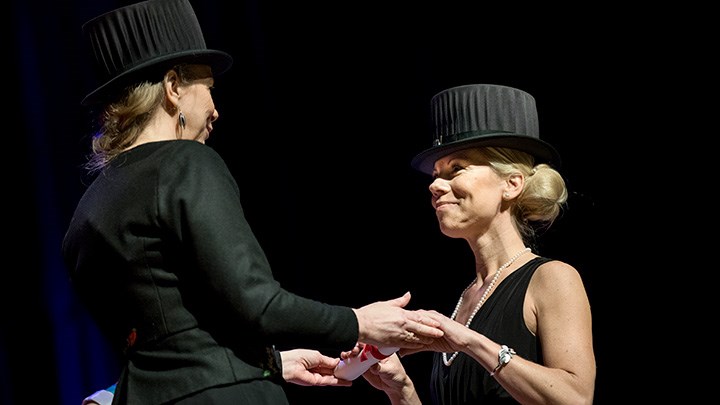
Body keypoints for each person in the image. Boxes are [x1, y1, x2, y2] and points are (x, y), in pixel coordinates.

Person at [61, 0, 443, 404]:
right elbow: (257, 303)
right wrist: (359, 322)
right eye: (208, 89)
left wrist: (272, 364)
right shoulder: (186, 163)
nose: (215, 110)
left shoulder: (86, 212)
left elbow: (172, 342)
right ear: (173, 87)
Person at [349, 84, 596, 404]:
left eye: (456, 169)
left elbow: (576, 398)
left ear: (511, 183)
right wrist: (402, 391)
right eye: (436, 174)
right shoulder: (467, 297)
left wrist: (469, 341)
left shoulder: (552, 279)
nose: (435, 185)